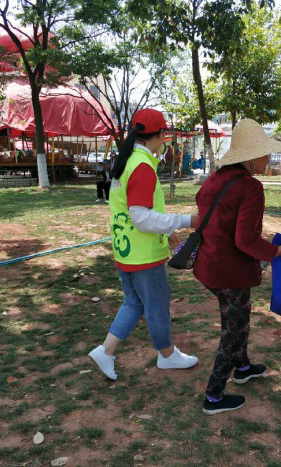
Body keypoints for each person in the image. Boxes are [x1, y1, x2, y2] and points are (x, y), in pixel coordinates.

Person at [194, 119, 281, 415]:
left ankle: (242, 367)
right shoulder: (250, 187)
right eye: (265, 153)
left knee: (238, 319)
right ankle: (214, 396)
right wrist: (278, 252)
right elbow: (245, 240)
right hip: (230, 272)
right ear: (251, 157)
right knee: (234, 331)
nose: (269, 159)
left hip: (208, 266)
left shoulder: (214, 179)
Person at [88, 109, 200, 379]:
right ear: (160, 135)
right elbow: (141, 217)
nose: (165, 140)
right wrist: (187, 220)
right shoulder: (142, 165)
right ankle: (167, 355)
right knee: (157, 304)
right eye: (165, 135)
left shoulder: (127, 161)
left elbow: (135, 212)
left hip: (126, 250)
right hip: (143, 254)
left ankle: (106, 351)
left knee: (134, 302)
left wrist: (167, 231)